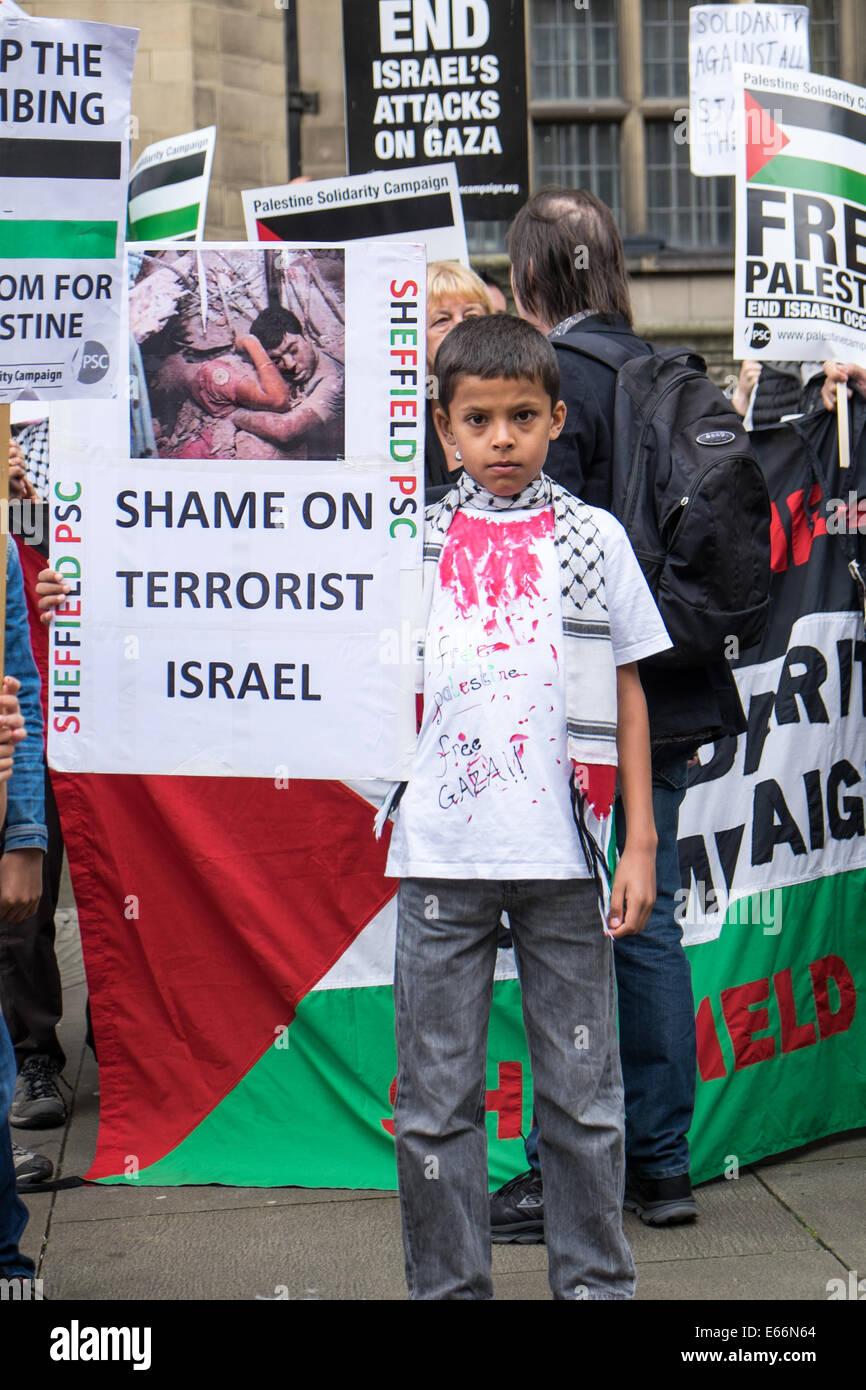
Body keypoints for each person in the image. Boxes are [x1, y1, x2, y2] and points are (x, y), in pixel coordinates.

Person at [379, 313, 672, 1298]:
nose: (499, 439)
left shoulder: (592, 539)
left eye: (518, 417)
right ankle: (447, 1288)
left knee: (582, 1099)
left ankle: (593, 1287)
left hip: (564, 860)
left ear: (554, 418)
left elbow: (627, 692)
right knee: (431, 1104)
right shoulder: (410, 546)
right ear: (444, 430)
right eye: (476, 420)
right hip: (437, 862)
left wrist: (637, 842)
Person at [493, 185, 750, 1234]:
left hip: (587, 712)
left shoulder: (558, 387)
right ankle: (660, 1167)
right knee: (646, 929)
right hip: (677, 693)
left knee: (570, 936)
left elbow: (534, 558)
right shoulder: (665, 372)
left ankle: (565, 1174)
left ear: (530, 279)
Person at [230, 306, 344, 460]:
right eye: (277, 360)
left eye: (293, 350)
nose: (289, 364)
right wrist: (250, 343)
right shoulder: (295, 370)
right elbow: (237, 347)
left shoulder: (335, 381)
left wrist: (234, 415)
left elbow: (286, 429)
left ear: (305, 335)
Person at [424, 263, 492, 491]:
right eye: (442, 320)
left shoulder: (516, 403)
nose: (459, 328)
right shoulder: (402, 421)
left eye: (471, 316)